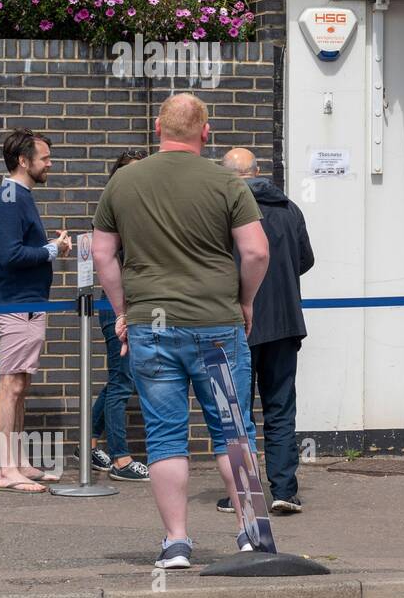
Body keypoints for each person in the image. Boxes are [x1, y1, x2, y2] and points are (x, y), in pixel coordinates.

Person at [92, 94, 270, 569]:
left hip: (153, 325)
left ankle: (175, 543)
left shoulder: (124, 182)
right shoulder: (227, 182)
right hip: (216, 325)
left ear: (157, 127)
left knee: (166, 437)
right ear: (205, 132)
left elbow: (102, 254)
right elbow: (256, 252)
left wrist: (123, 309)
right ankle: (252, 533)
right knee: (233, 432)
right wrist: (245, 300)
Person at [219, 147, 314, 515]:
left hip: (237, 323)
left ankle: (242, 492)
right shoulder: (290, 209)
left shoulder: (225, 211)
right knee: (280, 407)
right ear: (258, 171)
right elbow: (306, 260)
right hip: (286, 324)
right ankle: (285, 491)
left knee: (237, 410)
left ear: (229, 177)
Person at [0, 130, 71, 493]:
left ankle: (18, 462)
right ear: (24, 161)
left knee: (21, 383)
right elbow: (11, 255)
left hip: (27, 303)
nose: (49, 163)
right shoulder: (10, 198)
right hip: (17, 303)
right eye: (45, 158)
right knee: (12, 384)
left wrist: (51, 249)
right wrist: (52, 249)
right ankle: (7, 469)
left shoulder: (18, 196)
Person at [89, 149, 150, 482]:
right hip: (118, 307)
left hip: (133, 304)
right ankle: (121, 459)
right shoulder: (116, 212)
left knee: (119, 378)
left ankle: (89, 443)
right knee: (123, 380)